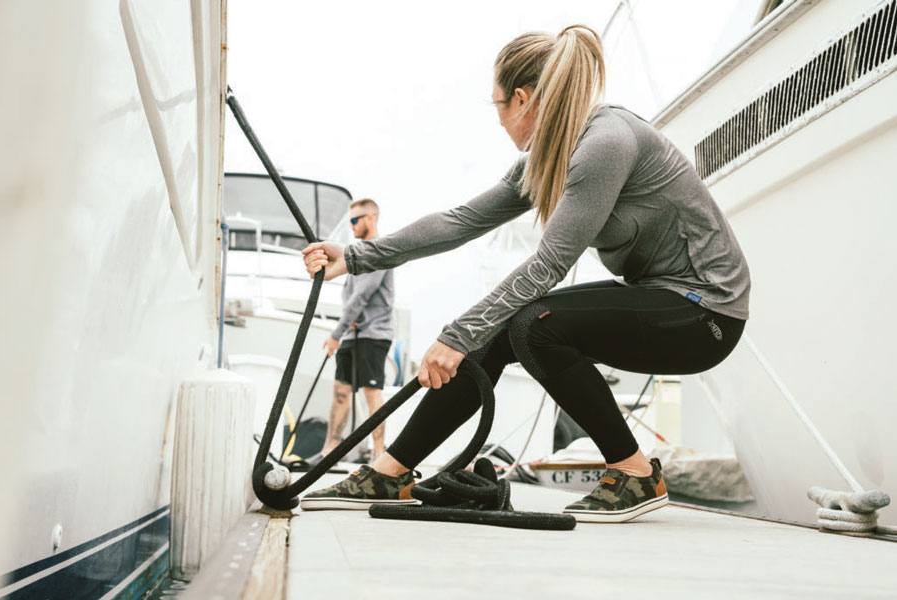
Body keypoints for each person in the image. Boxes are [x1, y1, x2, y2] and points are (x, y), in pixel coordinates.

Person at [298, 25, 750, 520]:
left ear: (522, 98)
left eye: (497, 106)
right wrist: (358, 256)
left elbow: (550, 264)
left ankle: (636, 475)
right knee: (503, 329)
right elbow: (461, 222)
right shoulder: (547, 159)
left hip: (706, 313)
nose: (498, 120)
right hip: (661, 298)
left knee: (534, 323)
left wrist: (456, 334)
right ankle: (389, 475)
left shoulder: (605, 143)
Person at [318, 198, 395, 464]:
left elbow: (361, 297)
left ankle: (379, 454)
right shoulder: (356, 253)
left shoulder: (380, 252)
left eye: (355, 220)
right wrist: (345, 329)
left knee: (371, 392)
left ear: (370, 218)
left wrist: (335, 334)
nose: (351, 226)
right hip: (353, 335)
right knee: (340, 391)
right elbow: (349, 296)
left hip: (374, 335)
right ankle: (329, 452)